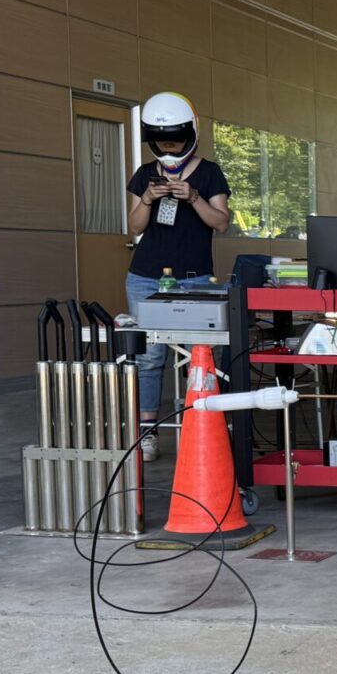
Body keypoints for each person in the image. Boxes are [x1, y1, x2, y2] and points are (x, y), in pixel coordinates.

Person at [126, 92, 231, 460]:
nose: (169, 147)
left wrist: (193, 198)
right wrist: (148, 199)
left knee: (200, 354)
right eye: (163, 141)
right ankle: (147, 432)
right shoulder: (144, 175)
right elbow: (134, 227)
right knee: (149, 357)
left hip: (195, 277)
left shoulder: (209, 172)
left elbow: (221, 222)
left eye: (175, 140)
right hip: (145, 276)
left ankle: (200, 424)